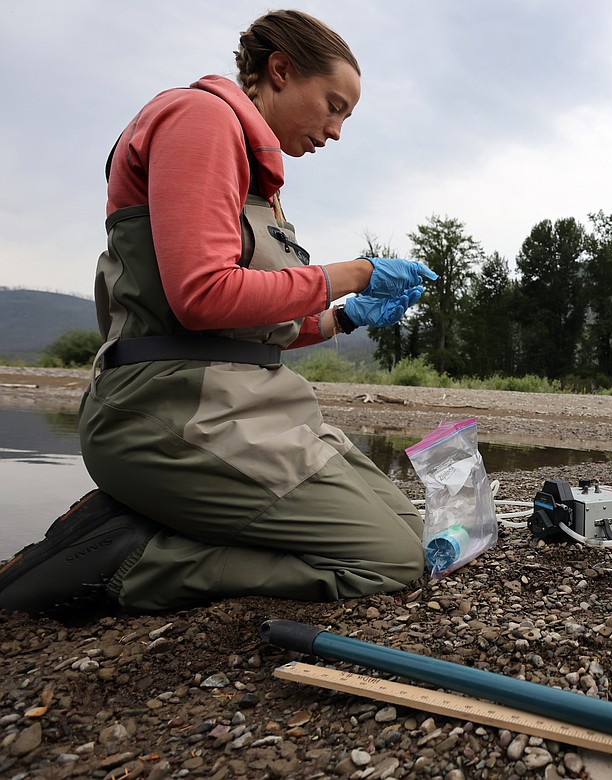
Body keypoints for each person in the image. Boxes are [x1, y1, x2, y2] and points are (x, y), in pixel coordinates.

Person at [0, 10, 436, 618]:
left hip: (249, 405)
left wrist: (348, 316)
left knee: (409, 528)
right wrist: (357, 271)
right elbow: (203, 296)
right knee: (389, 559)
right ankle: (132, 559)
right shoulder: (200, 119)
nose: (336, 131)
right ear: (280, 71)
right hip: (168, 409)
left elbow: (254, 324)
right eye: (333, 106)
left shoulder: (262, 184)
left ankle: (156, 516)